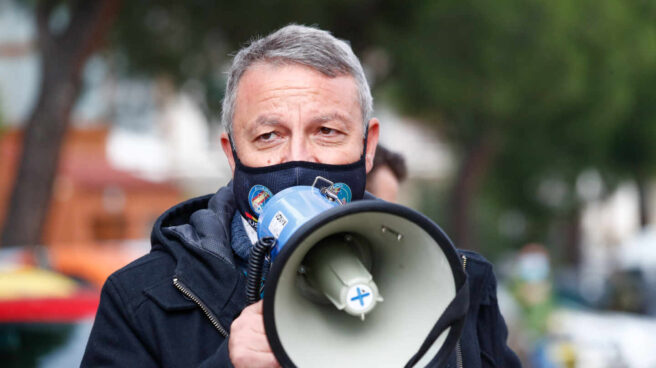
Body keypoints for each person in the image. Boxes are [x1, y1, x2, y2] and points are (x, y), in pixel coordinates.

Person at [82, 24, 520, 367]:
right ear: (232, 155)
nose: (298, 160)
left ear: (368, 147)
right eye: (269, 135)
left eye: (327, 132)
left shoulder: (457, 283)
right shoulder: (145, 299)